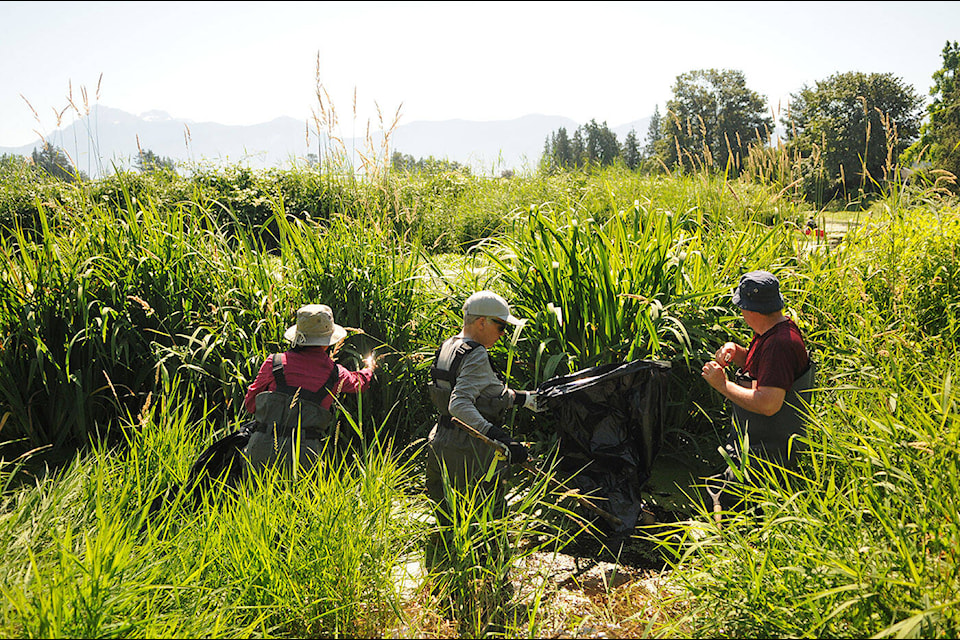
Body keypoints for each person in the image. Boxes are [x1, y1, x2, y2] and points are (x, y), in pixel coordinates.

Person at [425, 290, 543, 533]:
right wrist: (500, 437)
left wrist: (523, 399)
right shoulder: (477, 353)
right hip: (471, 450)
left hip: (440, 442)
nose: (503, 335)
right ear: (481, 322)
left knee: (450, 527)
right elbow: (459, 404)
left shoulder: (449, 346)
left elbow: (478, 391)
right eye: (501, 327)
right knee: (488, 529)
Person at [701, 270, 815, 506]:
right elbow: (765, 368)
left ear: (752, 310)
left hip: (768, 461)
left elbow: (768, 403)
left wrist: (722, 385)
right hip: (755, 450)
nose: (741, 313)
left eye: (742, 308)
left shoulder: (779, 346)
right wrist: (737, 351)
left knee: (716, 499)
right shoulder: (777, 330)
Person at [242, 303, 376, 472]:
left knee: (257, 497)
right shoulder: (335, 374)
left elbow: (250, 405)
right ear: (328, 341)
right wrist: (369, 368)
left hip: (261, 449)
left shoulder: (274, 363)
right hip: (304, 455)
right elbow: (360, 384)